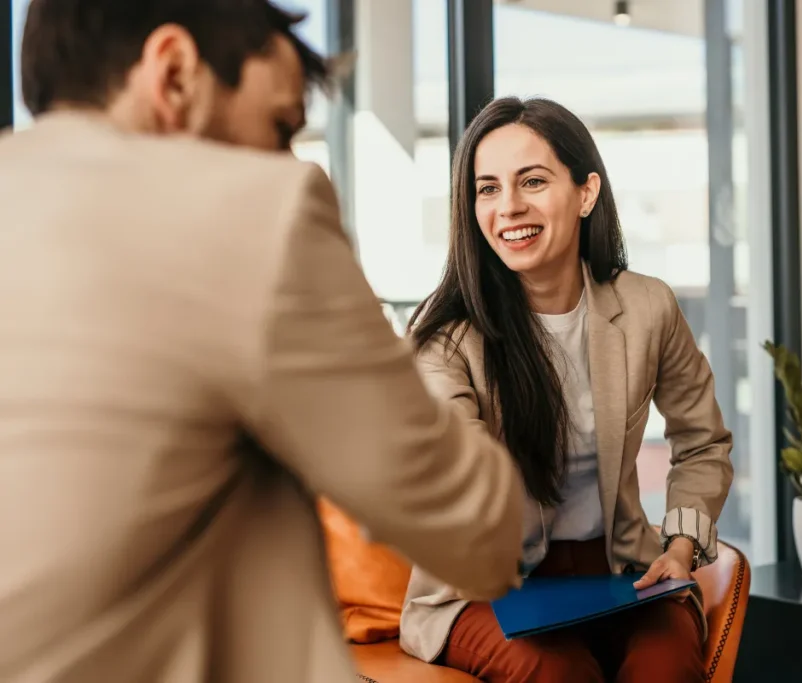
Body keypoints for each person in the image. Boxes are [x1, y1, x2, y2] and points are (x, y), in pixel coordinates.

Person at [0, 2, 524, 682]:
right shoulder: (251, 213)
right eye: (280, 129)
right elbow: (481, 535)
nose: (287, 160)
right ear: (175, 73)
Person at [399, 96, 735, 683]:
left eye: (532, 181)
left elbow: (702, 442)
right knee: (558, 674)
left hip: (619, 569)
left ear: (586, 193)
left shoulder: (648, 307)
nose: (509, 207)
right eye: (487, 188)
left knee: (667, 667)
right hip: (485, 586)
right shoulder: (447, 341)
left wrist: (681, 545)